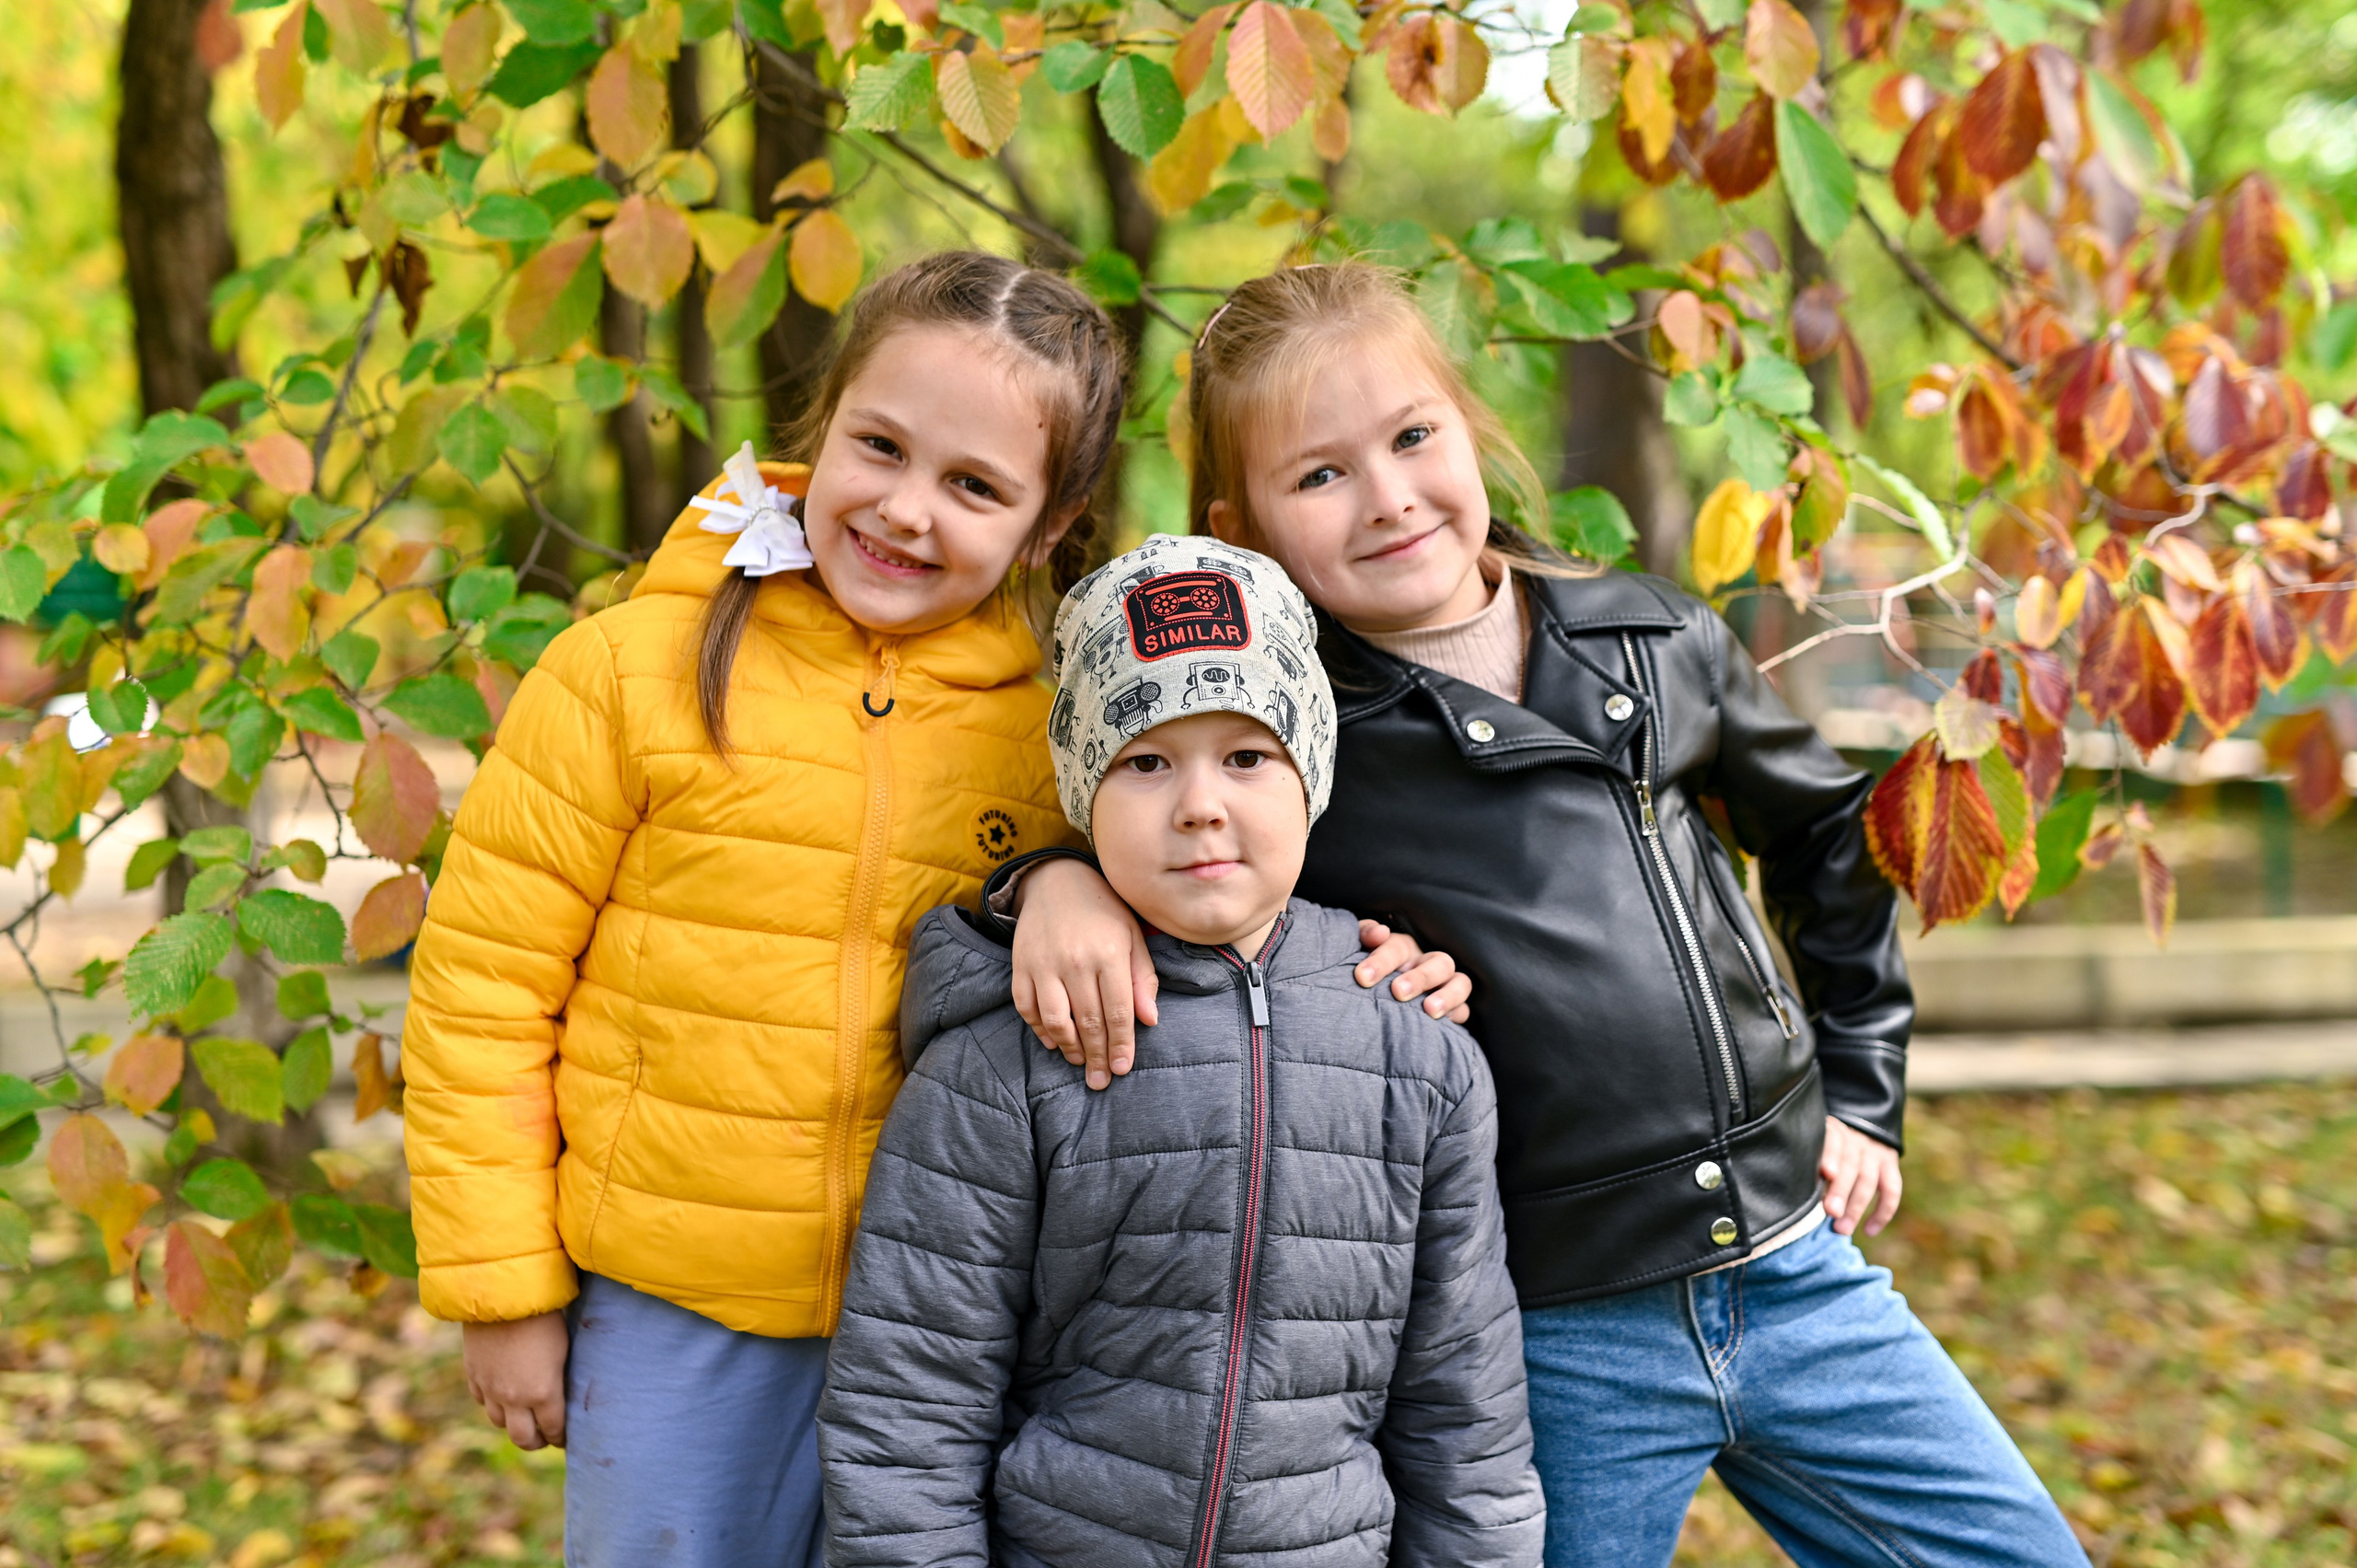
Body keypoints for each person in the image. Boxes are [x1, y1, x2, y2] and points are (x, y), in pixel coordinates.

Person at [1002, 263, 2090, 1568]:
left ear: (1470, 429)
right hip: (1550, 1324)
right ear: (1247, 528)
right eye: (1321, 475)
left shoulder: (1648, 640)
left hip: (1796, 1262)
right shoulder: (1284, 744)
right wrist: (1050, 883)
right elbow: (1139, 840)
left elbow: (1827, 836)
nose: (1391, 495)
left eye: (1413, 437)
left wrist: (1862, 1084)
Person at [399, 252, 1134, 1568]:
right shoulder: (629, 673)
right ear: (822, 423)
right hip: (674, 1308)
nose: (908, 509)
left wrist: (1064, 870)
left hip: (941, 1330)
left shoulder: (1053, 741)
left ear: (1049, 522)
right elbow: (483, 990)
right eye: (882, 446)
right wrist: (502, 1284)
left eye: (974, 486)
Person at [819, 533, 1543, 1568]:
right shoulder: (1003, 1059)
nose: (1199, 801)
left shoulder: (1418, 1056)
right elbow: (909, 1404)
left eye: (1246, 755)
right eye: (1144, 760)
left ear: (1312, 773)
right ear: (1082, 793)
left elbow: (1464, 1406)